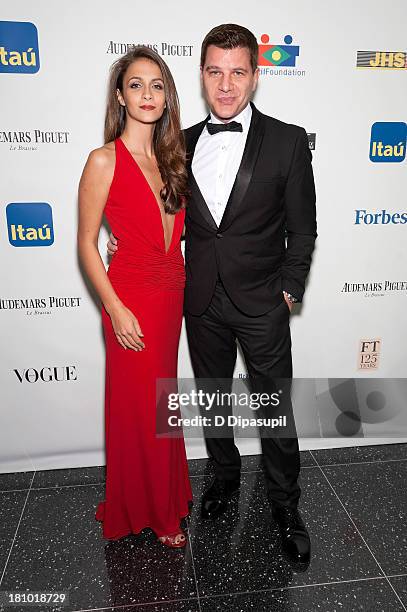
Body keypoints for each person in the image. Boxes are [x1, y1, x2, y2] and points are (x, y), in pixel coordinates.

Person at [108, 24, 317, 564]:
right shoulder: (179, 145)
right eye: (216, 72)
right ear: (202, 76)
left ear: (255, 75)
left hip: (263, 300)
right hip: (199, 301)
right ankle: (224, 479)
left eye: (238, 72)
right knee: (214, 399)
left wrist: (289, 290)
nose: (226, 85)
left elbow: (304, 228)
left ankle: (285, 503)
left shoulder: (289, 141)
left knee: (274, 408)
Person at [78, 46, 192, 548]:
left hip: (171, 296)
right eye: (136, 85)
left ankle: (162, 497)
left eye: (157, 85)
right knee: (139, 408)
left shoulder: (174, 160)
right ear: (121, 97)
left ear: (167, 97)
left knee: (160, 404)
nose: (147, 94)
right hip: (130, 300)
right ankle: (153, 514)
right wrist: (115, 308)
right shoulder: (103, 160)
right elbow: (86, 245)